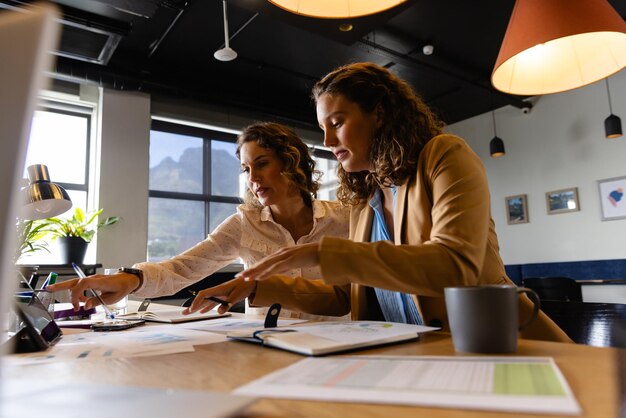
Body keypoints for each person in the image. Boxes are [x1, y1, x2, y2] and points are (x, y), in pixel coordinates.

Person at [194, 62, 571, 342]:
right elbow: (343, 297)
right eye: (323, 128)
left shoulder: (443, 154)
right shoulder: (365, 199)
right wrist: (255, 288)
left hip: (497, 344)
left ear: (379, 113)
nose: (327, 140)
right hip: (415, 354)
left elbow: (456, 266)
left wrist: (323, 254)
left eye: (337, 122)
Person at [48, 122, 350, 320]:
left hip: (341, 346)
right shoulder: (244, 223)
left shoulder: (346, 218)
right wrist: (131, 278)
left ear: (291, 161)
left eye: (262, 164)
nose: (253, 178)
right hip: (267, 345)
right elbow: (183, 268)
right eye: (246, 169)